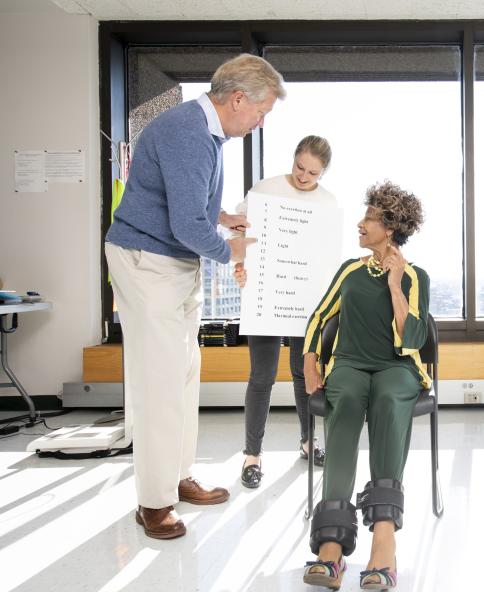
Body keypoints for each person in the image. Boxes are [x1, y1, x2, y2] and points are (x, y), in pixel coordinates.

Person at [104, 54, 285, 540]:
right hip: (148, 260)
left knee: (183, 375)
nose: (261, 120)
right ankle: (153, 502)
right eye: (262, 111)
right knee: (159, 383)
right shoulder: (189, 133)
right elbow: (186, 225)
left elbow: (187, 203)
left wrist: (223, 218)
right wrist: (233, 249)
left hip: (173, 263)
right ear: (238, 98)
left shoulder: (206, 132)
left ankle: (177, 476)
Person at [301, 181, 427, 591]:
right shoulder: (350, 271)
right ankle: (331, 547)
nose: (361, 223)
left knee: (390, 400)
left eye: (369, 218)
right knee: (347, 401)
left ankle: (384, 544)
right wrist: (309, 359)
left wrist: (394, 285)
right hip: (351, 363)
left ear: (389, 228)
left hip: (397, 366)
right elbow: (320, 317)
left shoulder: (413, 276)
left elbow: (413, 337)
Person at [230, 135, 337, 488]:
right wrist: (240, 265)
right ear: (292, 159)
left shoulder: (327, 203)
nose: (305, 176)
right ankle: (252, 456)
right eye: (300, 167)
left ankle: (309, 443)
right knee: (261, 376)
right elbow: (238, 228)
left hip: (306, 301)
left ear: (324, 173)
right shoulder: (266, 189)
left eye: (313, 173)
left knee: (303, 372)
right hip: (267, 295)